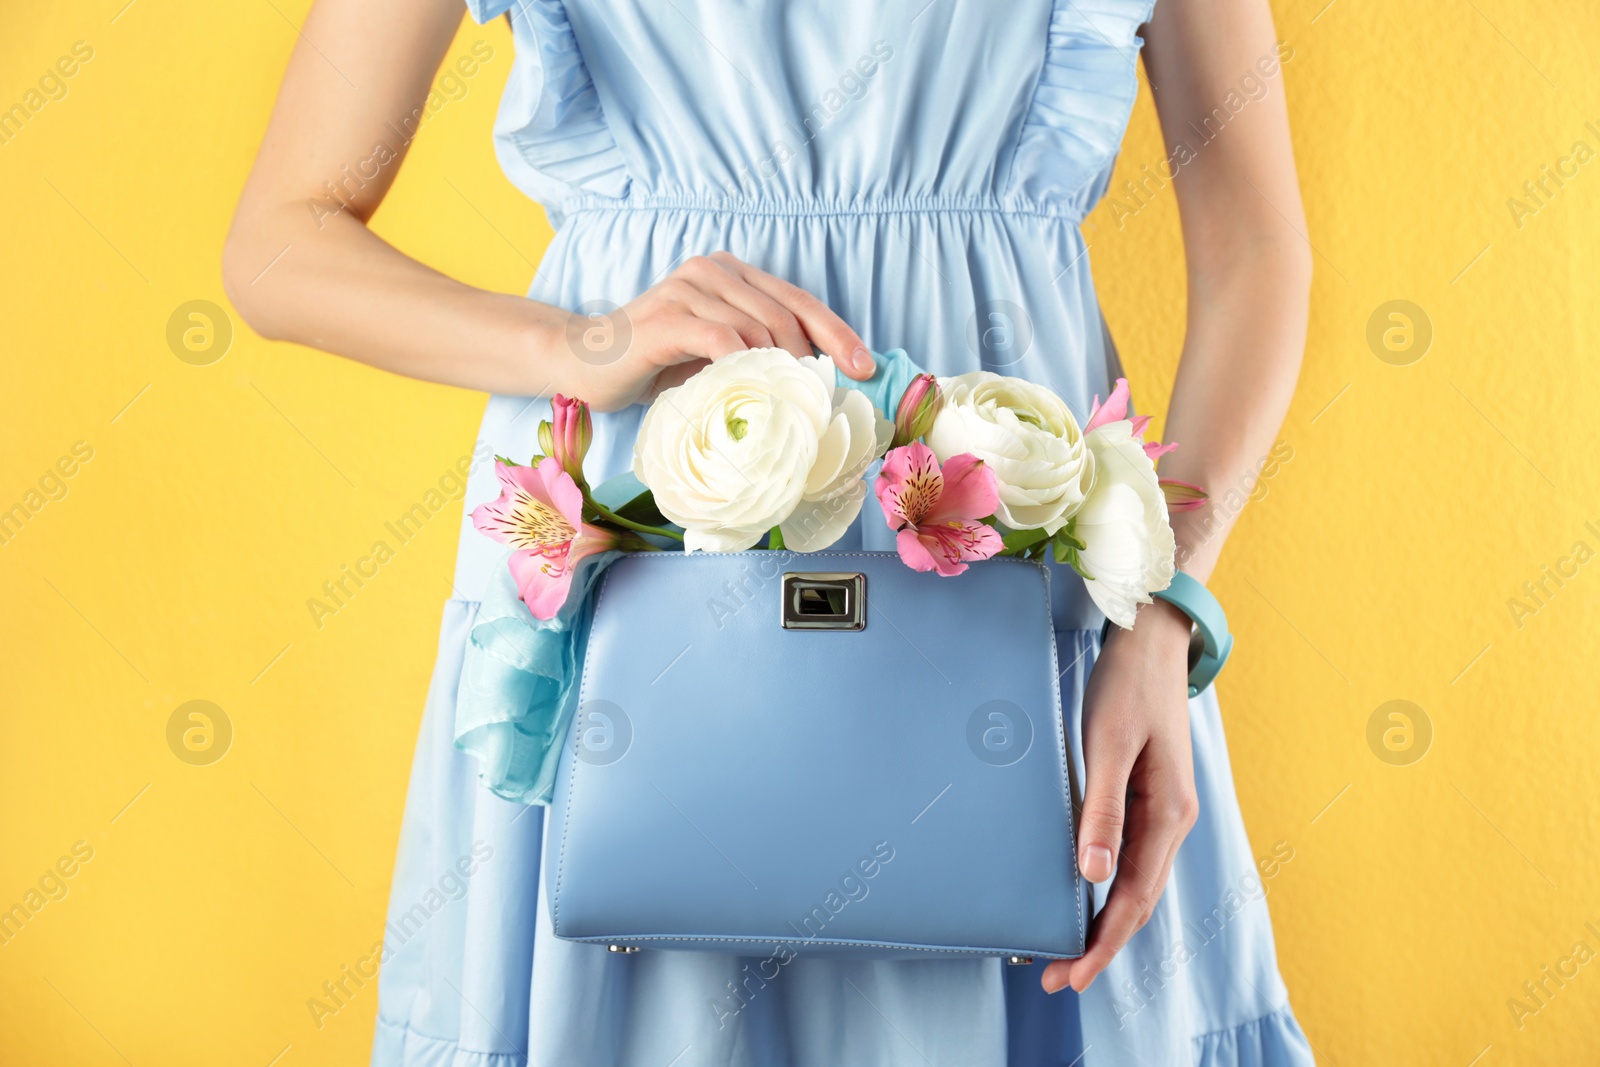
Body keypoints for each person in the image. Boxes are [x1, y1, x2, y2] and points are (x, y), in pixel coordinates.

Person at [224, 0, 1315, 1063]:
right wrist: (579, 343)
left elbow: (1256, 255)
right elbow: (280, 244)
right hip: (640, 541)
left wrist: (1167, 612)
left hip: (1015, 544)